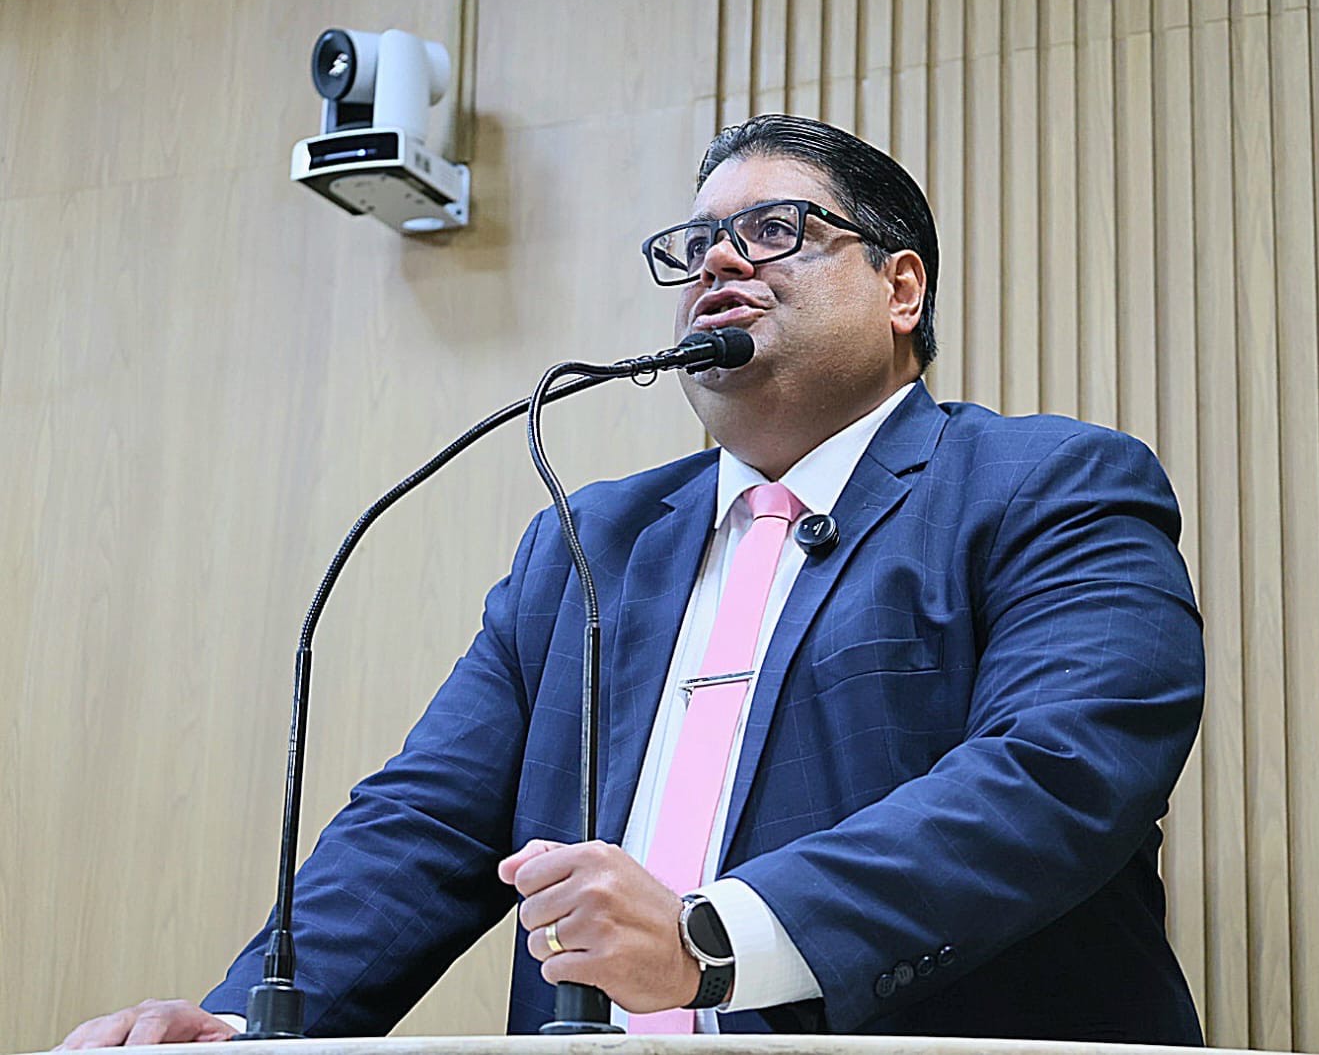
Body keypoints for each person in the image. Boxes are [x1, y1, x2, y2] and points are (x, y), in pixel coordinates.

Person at [56, 114, 1205, 1047]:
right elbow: (423, 824)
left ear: (901, 289)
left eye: (776, 228)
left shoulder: (1044, 484)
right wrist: (244, 1028)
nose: (717, 259)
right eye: (695, 242)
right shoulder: (587, 541)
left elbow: (1061, 772)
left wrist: (716, 937)